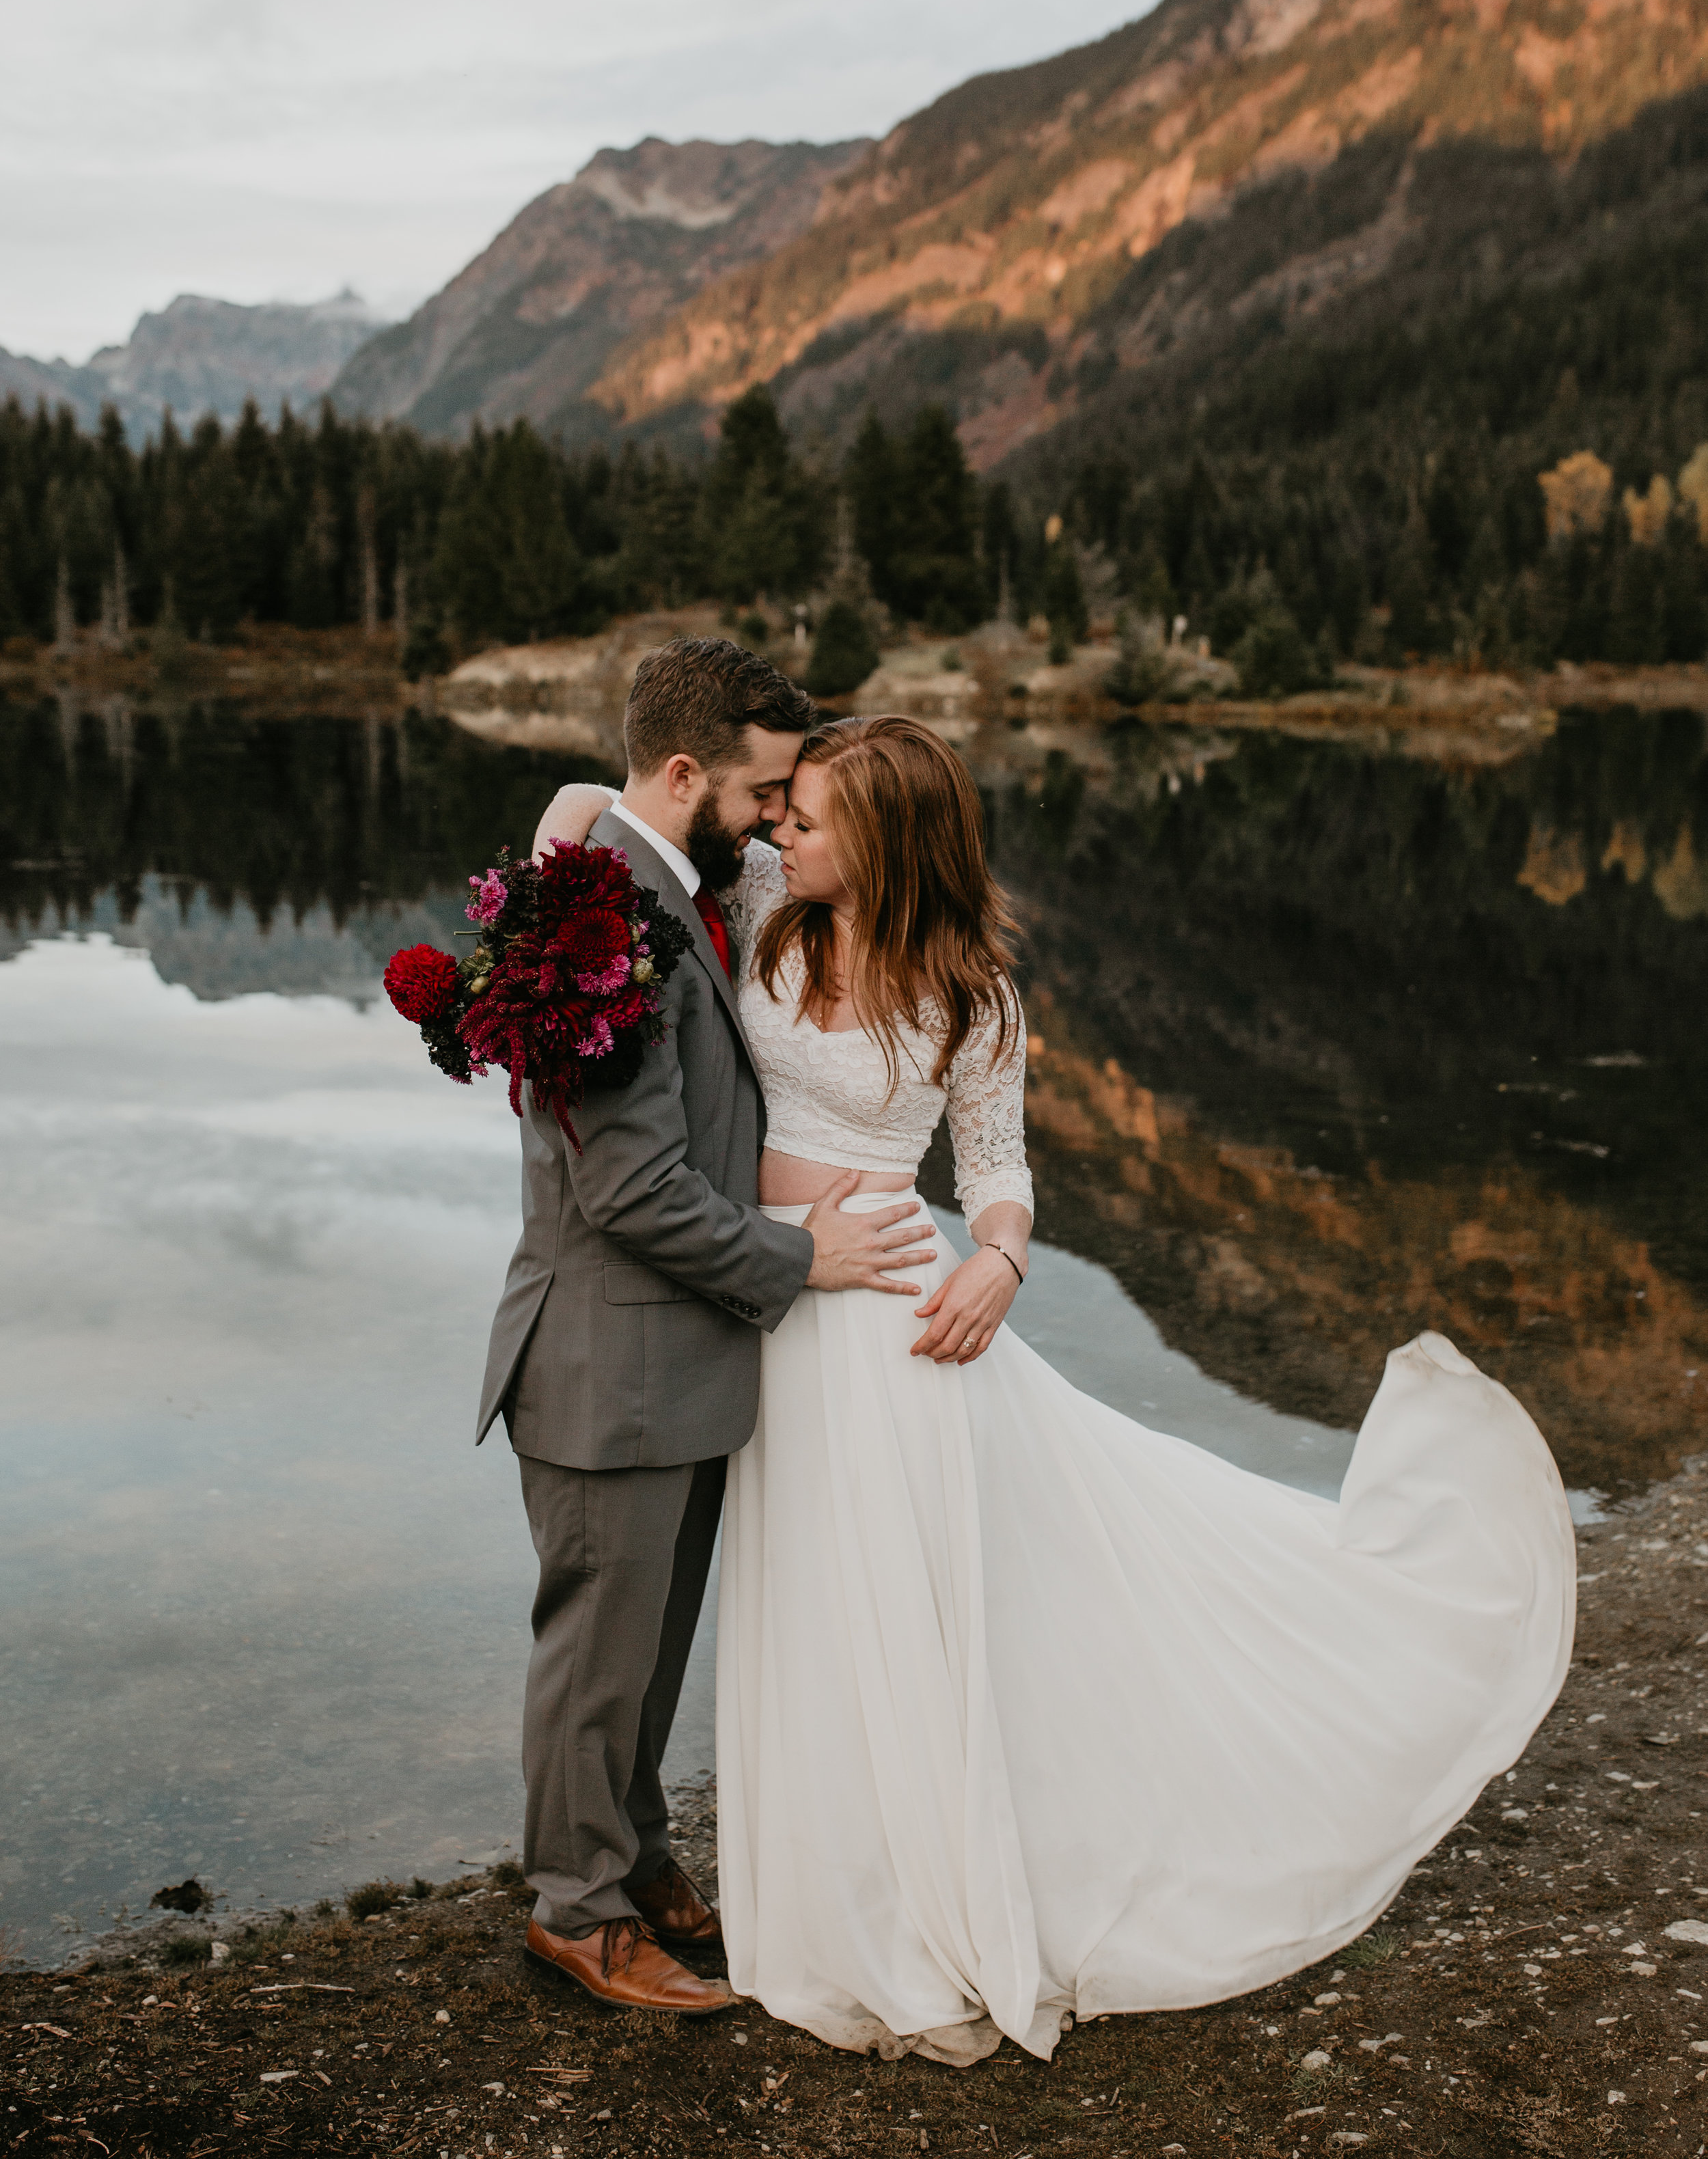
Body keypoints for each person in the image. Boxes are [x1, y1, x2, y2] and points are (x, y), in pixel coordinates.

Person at [535, 711, 1576, 2065]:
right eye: (779, 810)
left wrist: (1004, 1264)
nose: (779, 830)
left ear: (887, 843)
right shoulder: (759, 904)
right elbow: (581, 812)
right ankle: (817, 1879)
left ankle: (911, 1897)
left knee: (899, 1613)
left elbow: (996, 1171)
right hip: (777, 1302)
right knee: (804, 1607)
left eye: (809, 817)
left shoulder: (972, 997)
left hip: (896, 1317)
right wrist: (572, 855)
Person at [480, 640, 937, 2017]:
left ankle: (637, 1867)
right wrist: (803, 1257)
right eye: (759, 792)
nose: (771, 819)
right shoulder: (602, 925)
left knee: (647, 1647)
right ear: (685, 776)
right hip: (603, 1356)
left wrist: (579, 817)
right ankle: (574, 1913)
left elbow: (584, 796)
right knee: (596, 1653)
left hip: (667, 1360)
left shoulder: (656, 881)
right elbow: (629, 1190)